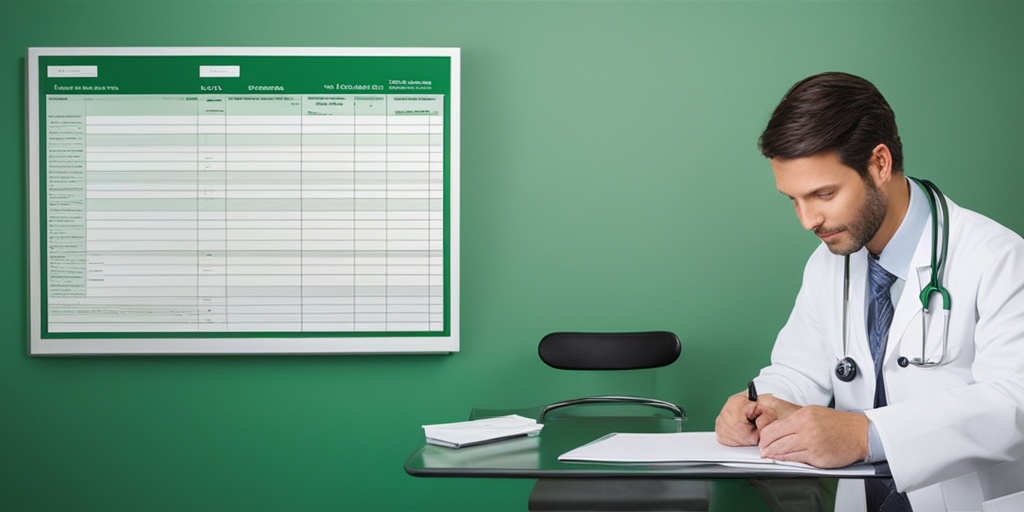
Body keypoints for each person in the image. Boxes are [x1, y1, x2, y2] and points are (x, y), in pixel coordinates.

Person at [714, 71, 1024, 511]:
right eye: (793, 199)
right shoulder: (829, 263)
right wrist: (760, 404)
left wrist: (866, 433)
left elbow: (1016, 403)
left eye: (823, 193)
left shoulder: (998, 257)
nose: (808, 220)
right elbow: (799, 370)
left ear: (880, 163)